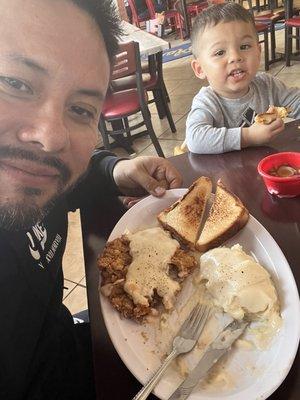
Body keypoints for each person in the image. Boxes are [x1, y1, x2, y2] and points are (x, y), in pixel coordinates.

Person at [0, 0, 182, 399]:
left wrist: (112, 171)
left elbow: (70, 180)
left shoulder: (35, 175)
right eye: (16, 83)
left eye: (80, 109)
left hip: (70, 349)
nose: (51, 138)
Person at [185, 3, 300, 154]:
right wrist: (249, 136)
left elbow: (296, 102)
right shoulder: (207, 101)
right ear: (200, 69)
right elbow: (195, 139)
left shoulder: (267, 85)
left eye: (244, 47)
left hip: (265, 168)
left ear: (258, 51)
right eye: (220, 52)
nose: (235, 57)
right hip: (225, 174)